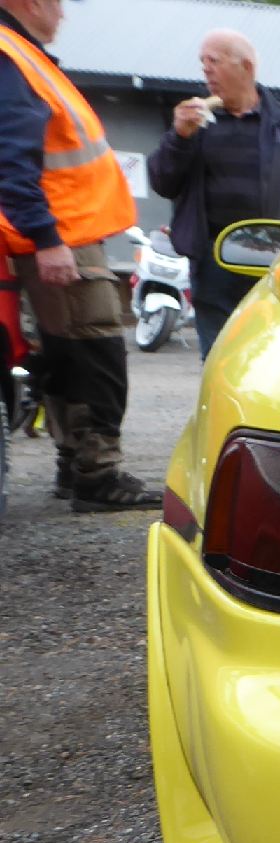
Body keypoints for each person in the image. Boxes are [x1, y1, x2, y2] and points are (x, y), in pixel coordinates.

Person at [0, 0, 160, 510]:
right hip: (60, 237)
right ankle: (97, 475)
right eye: (57, 1)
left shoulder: (21, 55)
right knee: (95, 354)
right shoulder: (12, 56)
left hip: (58, 234)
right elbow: (12, 160)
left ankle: (76, 467)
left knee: (65, 352)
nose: (63, 13)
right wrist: (47, 239)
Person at [147, 29, 280, 357]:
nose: (205, 70)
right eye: (202, 62)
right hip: (212, 263)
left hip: (272, 262)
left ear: (246, 67)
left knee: (271, 356)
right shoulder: (196, 124)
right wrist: (179, 137)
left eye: (213, 61)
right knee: (219, 357)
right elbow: (162, 182)